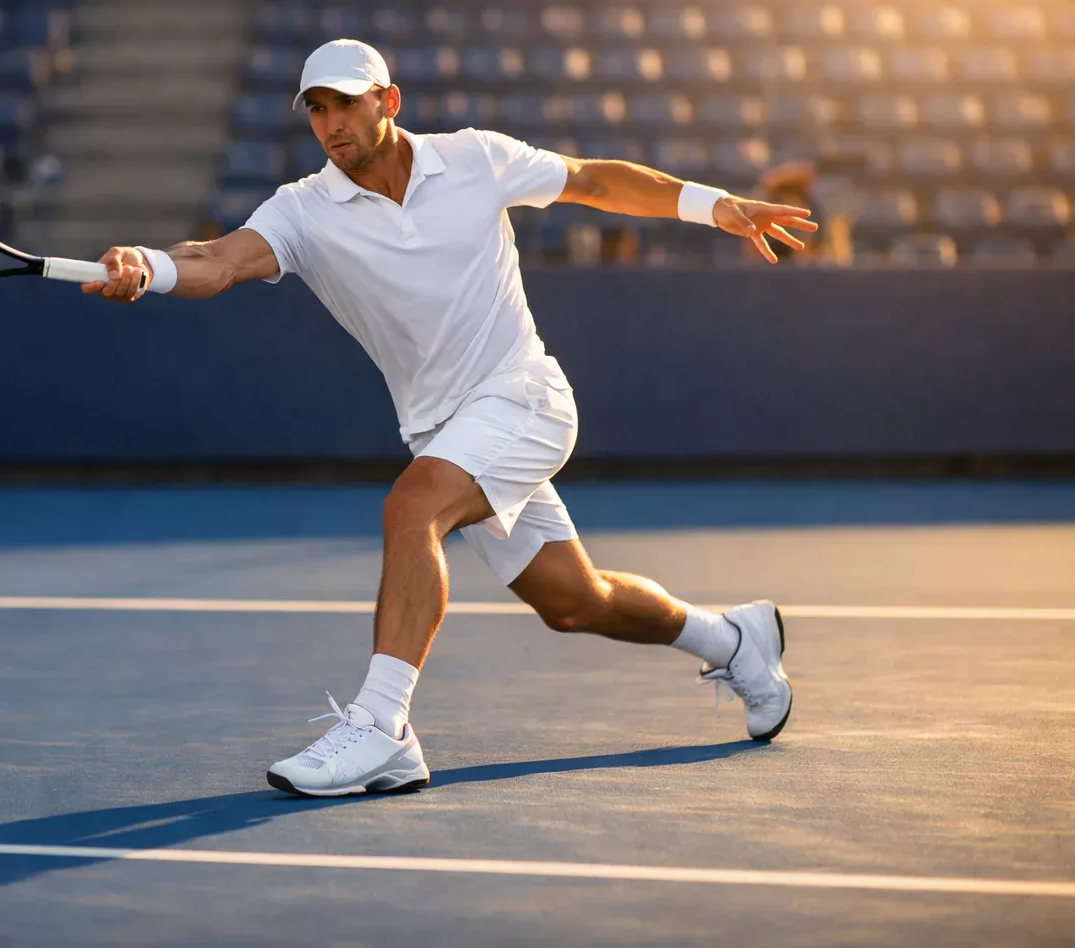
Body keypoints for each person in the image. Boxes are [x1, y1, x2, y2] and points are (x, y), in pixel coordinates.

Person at [83, 40, 816, 796]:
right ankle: (733, 639)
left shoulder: (475, 159)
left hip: (523, 396)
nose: (331, 121)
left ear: (388, 101)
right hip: (444, 429)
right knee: (574, 601)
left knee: (414, 505)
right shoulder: (303, 210)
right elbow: (219, 258)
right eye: (317, 109)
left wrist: (713, 205)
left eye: (345, 102)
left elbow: (595, 181)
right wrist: (152, 266)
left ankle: (382, 727)